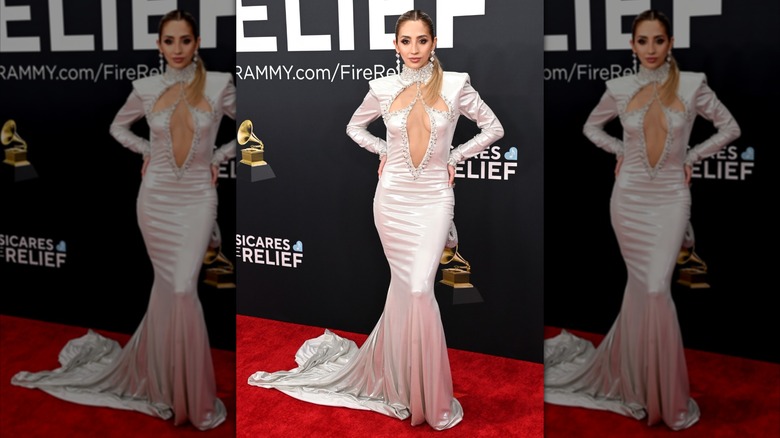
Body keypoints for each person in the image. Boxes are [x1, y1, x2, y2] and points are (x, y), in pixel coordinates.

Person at [247, 9, 504, 430]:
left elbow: (493, 128)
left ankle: (427, 395)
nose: (415, 49)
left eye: (422, 40)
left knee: (420, 288)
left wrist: (454, 157)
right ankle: (402, 383)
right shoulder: (382, 88)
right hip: (393, 201)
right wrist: (384, 151)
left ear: (434, 42)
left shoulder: (457, 84)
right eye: (406, 41)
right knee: (407, 288)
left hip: (435, 197)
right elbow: (354, 127)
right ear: (396, 45)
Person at [10, 9, 235, 430]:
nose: (178, 49)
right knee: (171, 289)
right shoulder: (146, 88)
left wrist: (219, 158)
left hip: (197, 198)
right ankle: (166, 384)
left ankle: (189, 394)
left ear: (196, 42)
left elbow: (250, 128)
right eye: (169, 41)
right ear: (159, 46)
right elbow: (117, 127)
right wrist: (148, 152)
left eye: (185, 40)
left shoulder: (221, 84)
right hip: (156, 201)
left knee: (183, 288)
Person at [543, 9, 740, 431]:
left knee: (653, 289)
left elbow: (729, 127)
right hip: (628, 199)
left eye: (659, 41)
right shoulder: (618, 87)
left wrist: (692, 156)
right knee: (642, 288)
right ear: (632, 46)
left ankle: (662, 394)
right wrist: (619, 151)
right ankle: (637, 382)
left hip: (670, 197)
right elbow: (591, 128)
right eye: (643, 41)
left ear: (670, 44)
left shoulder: (692, 85)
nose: (651, 49)